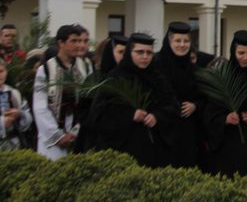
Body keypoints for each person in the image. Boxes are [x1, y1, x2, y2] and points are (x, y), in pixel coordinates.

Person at [88, 33, 179, 167]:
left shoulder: (158, 78)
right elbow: (99, 115)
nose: (145, 57)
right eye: (140, 52)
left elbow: (173, 106)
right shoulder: (116, 78)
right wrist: (130, 115)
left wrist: (157, 116)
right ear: (129, 52)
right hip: (123, 149)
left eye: (149, 53)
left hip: (154, 149)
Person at [204, 30, 247, 177]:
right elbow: (209, 111)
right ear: (233, 51)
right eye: (241, 53)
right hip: (227, 142)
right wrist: (224, 119)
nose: (245, 58)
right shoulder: (222, 76)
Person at [32, 25, 94, 160]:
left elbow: (89, 101)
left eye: (80, 41)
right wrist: (57, 135)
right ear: (61, 43)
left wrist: (76, 131)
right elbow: (40, 106)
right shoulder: (46, 70)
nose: (78, 45)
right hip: (51, 137)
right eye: (74, 41)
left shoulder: (86, 66)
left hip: (79, 134)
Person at [155, 22, 202, 168]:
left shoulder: (194, 70)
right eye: (177, 41)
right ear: (169, 42)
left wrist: (195, 105)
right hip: (162, 130)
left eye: (186, 41)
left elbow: (203, 96)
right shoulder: (156, 66)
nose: (182, 45)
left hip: (187, 132)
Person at [0, 59, 33, 150]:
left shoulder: (15, 93)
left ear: (6, 72)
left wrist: (19, 114)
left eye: (1, 71)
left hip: (15, 145)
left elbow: (28, 116)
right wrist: (3, 122)